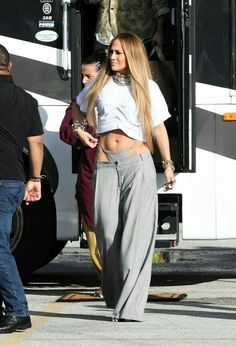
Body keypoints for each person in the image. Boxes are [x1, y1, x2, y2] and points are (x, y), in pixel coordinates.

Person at [73, 33, 175, 322]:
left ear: (132, 55)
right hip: (105, 164)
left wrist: (167, 164)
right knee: (106, 233)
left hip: (137, 162)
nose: (113, 57)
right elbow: (78, 109)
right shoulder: (98, 83)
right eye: (111, 52)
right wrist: (81, 129)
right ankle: (116, 296)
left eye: (119, 52)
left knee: (135, 237)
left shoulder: (147, 88)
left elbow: (158, 129)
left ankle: (130, 308)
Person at [0, 45, 44, 333]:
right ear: (11, 66)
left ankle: (18, 311)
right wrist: (35, 179)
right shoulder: (27, 99)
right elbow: (36, 144)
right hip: (14, 179)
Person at [59, 53, 106, 297]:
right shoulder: (80, 101)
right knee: (93, 230)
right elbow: (65, 131)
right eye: (83, 75)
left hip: (115, 172)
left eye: (89, 75)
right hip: (90, 175)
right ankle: (106, 281)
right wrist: (81, 130)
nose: (84, 80)